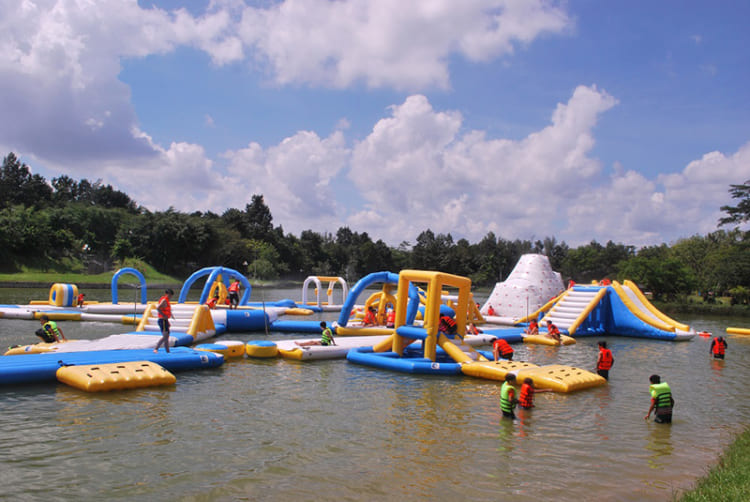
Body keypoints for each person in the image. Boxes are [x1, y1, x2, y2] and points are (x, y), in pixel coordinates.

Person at [154, 289, 175, 353]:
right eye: (170, 295)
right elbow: (158, 308)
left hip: (165, 321)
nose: (171, 297)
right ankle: (156, 348)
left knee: (166, 336)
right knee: (165, 336)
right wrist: (164, 315)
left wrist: (170, 314)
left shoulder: (167, 301)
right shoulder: (164, 300)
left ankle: (168, 351)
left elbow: (166, 309)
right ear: (167, 294)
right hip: (162, 320)